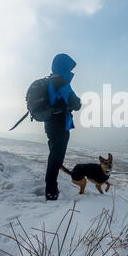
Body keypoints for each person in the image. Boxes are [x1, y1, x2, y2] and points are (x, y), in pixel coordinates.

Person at [44, 53, 81, 201]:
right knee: (56, 159)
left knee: (54, 157)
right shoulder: (61, 82)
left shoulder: (50, 80)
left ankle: (51, 188)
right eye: (69, 67)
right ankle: (51, 191)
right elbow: (76, 104)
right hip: (59, 125)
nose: (71, 70)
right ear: (64, 66)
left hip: (50, 124)